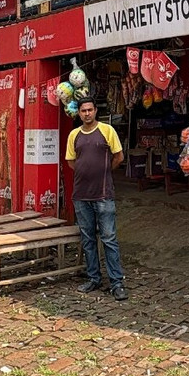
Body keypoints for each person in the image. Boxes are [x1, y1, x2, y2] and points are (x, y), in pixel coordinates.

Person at [65, 98, 128, 301]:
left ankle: (116, 282)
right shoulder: (74, 135)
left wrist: (104, 173)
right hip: (81, 196)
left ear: (95, 111)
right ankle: (94, 278)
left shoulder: (107, 130)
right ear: (79, 113)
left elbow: (119, 157)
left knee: (109, 239)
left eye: (90, 110)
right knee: (88, 239)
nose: (86, 113)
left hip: (103, 195)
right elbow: (71, 161)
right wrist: (88, 172)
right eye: (83, 110)